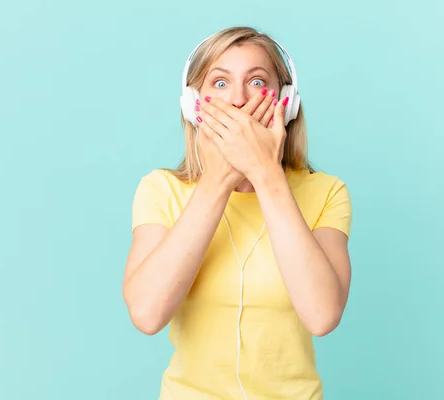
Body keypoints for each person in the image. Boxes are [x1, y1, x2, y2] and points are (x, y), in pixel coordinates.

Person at [122, 26, 353, 400]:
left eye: (257, 81)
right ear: (193, 105)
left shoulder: (327, 193)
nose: (239, 100)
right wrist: (218, 180)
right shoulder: (160, 190)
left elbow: (322, 315)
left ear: (287, 102)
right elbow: (147, 314)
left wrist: (266, 174)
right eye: (219, 83)